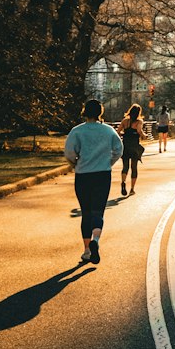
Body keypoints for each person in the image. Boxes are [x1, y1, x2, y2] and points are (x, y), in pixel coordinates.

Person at [64, 99, 123, 266]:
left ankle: (87, 250)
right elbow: (119, 150)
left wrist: (75, 163)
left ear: (85, 112)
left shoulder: (77, 131)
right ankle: (95, 239)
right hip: (102, 175)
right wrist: (108, 162)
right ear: (100, 113)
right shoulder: (108, 130)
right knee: (98, 211)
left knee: (86, 212)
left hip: (83, 175)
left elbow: (69, 152)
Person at [116, 103, 146, 196]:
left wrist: (123, 134)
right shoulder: (139, 122)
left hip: (125, 146)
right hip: (134, 147)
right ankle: (132, 189)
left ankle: (123, 182)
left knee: (125, 167)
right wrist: (144, 136)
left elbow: (118, 131)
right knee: (134, 168)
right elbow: (139, 131)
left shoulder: (125, 121)